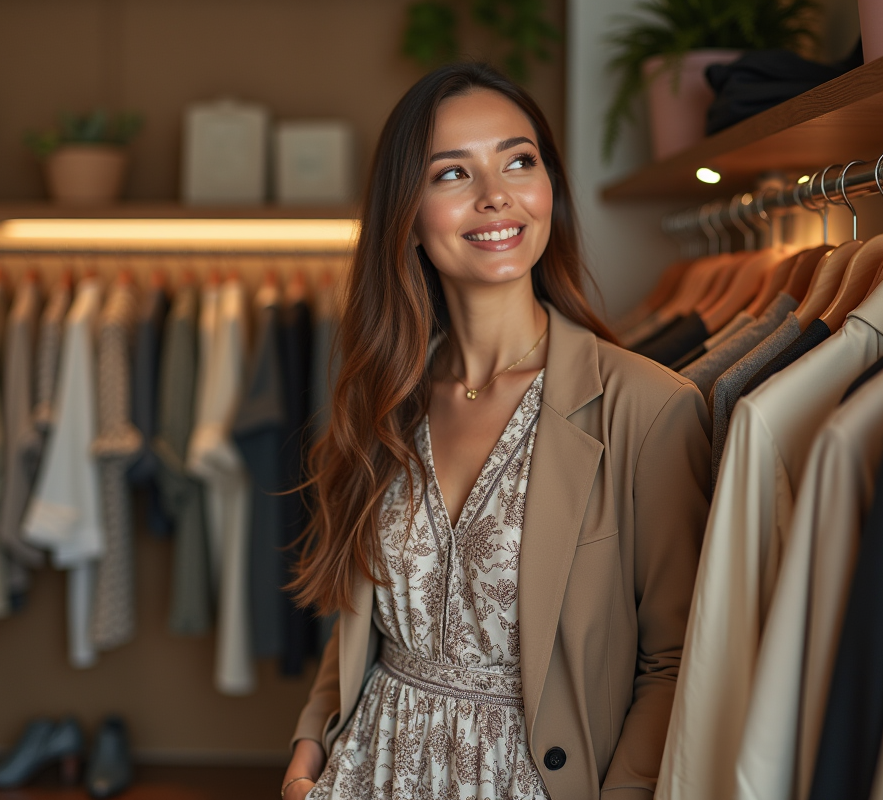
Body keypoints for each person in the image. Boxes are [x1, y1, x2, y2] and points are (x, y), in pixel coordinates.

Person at [281, 62, 711, 800]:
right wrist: (307, 750)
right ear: (406, 216)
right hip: (362, 776)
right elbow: (364, 621)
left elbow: (674, 663)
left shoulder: (648, 406)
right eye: (452, 174)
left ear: (550, 190)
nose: (496, 196)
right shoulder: (386, 397)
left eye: (520, 160)